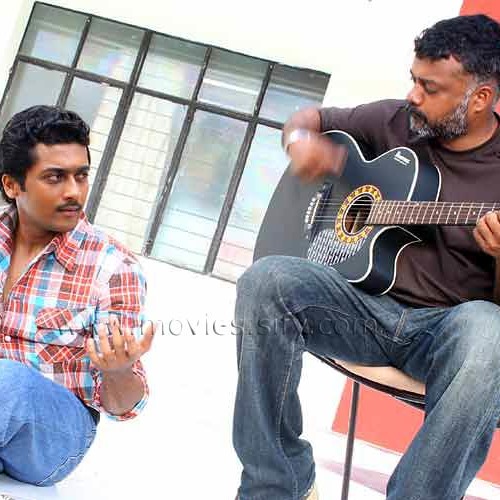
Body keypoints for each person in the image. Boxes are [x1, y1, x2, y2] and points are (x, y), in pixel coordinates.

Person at [233, 14, 500, 500]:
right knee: (265, 281)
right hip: (360, 311)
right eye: (413, 79)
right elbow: (309, 119)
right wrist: (301, 143)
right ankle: (278, 484)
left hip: (444, 338)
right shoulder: (395, 120)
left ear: (479, 98)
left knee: (490, 330)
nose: (413, 95)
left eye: (430, 88)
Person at [0, 105, 154, 486]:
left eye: (81, 176)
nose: (74, 192)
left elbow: (124, 406)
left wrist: (118, 370)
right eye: (55, 177)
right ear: (12, 185)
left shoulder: (113, 267)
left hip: (55, 432)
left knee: (9, 381)